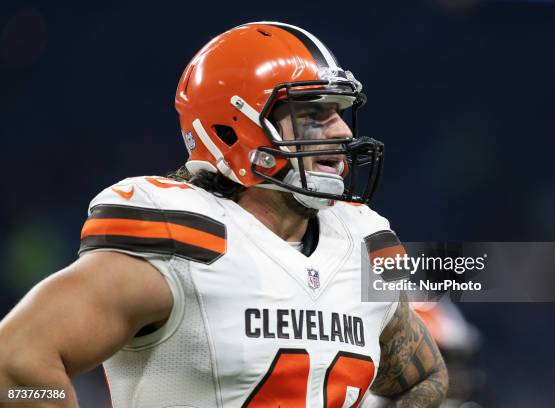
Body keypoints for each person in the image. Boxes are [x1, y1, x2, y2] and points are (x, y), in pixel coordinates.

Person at [0, 22, 447, 407]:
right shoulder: (182, 236)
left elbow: (425, 377)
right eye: (313, 114)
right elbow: (15, 361)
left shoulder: (360, 244)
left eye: (338, 113)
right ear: (233, 127)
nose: (342, 131)